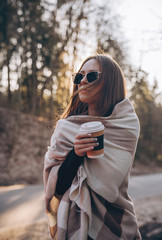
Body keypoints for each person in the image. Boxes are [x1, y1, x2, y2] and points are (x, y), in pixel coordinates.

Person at [43, 54, 142, 240]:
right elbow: (55, 189)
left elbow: (110, 183)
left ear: (110, 82)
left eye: (92, 76)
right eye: (79, 77)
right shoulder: (66, 128)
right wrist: (76, 154)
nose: (82, 82)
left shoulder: (126, 126)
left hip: (117, 225)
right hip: (76, 228)